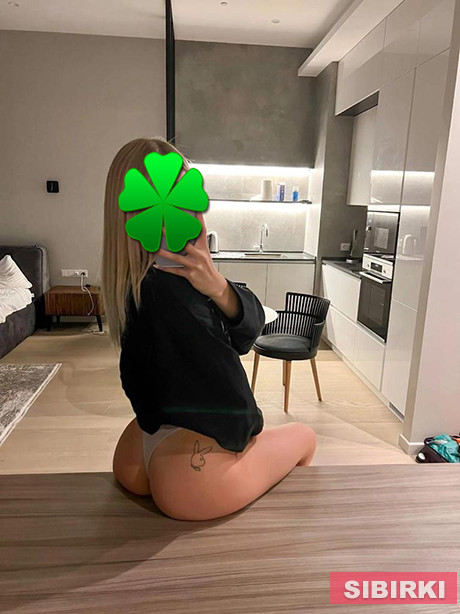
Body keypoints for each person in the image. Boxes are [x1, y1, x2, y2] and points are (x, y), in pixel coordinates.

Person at [101, 136, 316, 521]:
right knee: (304, 436)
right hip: (192, 469)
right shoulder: (177, 292)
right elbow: (225, 389)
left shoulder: (131, 285)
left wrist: (217, 285)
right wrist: (248, 432)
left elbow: (240, 334)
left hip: (138, 446)